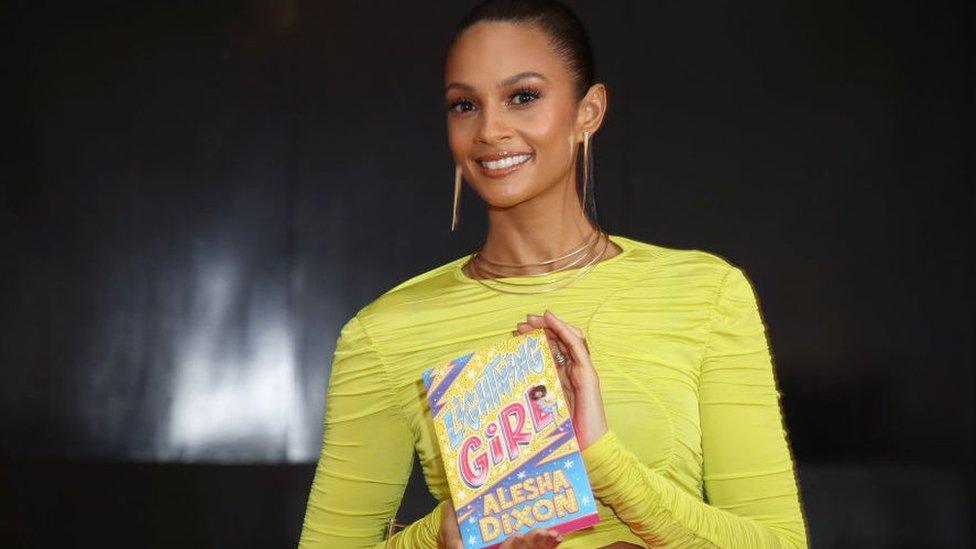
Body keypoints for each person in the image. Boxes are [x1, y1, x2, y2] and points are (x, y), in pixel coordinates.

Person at [298, 0, 809, 547]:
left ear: (589, 111)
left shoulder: (705, 294)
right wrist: (441, 536)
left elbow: (781, 542)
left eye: (523, 97)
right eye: (464, 105)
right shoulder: (384, 334)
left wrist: (603, 461)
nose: (490, 129)